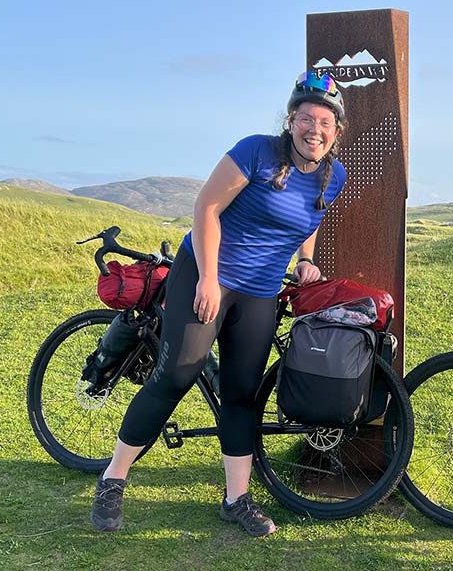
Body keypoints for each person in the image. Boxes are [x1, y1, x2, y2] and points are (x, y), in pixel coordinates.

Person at [91, 71, 347, 537]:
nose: (316, 129)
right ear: (291, 121)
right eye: (307, 118)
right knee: (175, 376)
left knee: (241, 393)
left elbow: (311, 216)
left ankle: (236, 499)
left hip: (261, 292)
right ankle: (112, 479)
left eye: (325, 122)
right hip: (208, 273)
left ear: (336, 130)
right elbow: (207, 206)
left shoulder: (334, 174)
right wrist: (208, 278)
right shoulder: (256, 151)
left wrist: (306, 258)